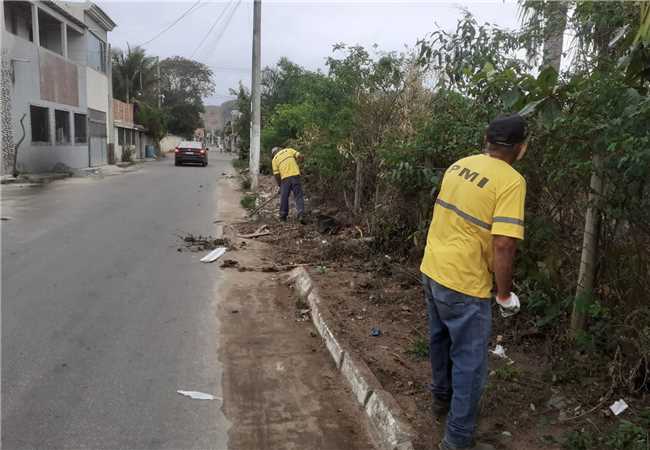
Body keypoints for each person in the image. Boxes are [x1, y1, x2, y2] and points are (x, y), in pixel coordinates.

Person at [420, 114, 528, 450]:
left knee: (439, 342)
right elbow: (504, 243)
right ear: (521, 148)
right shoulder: (511, 181)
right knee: (469, 362)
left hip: (433, 269)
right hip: (465, 284)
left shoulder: (459, 165)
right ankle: (457, 439)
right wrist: (504, 293)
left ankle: (441, 401)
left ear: (488, 140)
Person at [271, 146, 306, 223]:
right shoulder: (289, 150)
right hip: (295, 176)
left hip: (285, 179)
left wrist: (280, 186)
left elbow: (276, 175)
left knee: (284, 197)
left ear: (274, 154)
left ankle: (283, 217)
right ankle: (301, 214)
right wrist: (298, 164)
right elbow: (300, 156)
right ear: (280, 149)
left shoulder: (274, 159)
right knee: (298, 196)